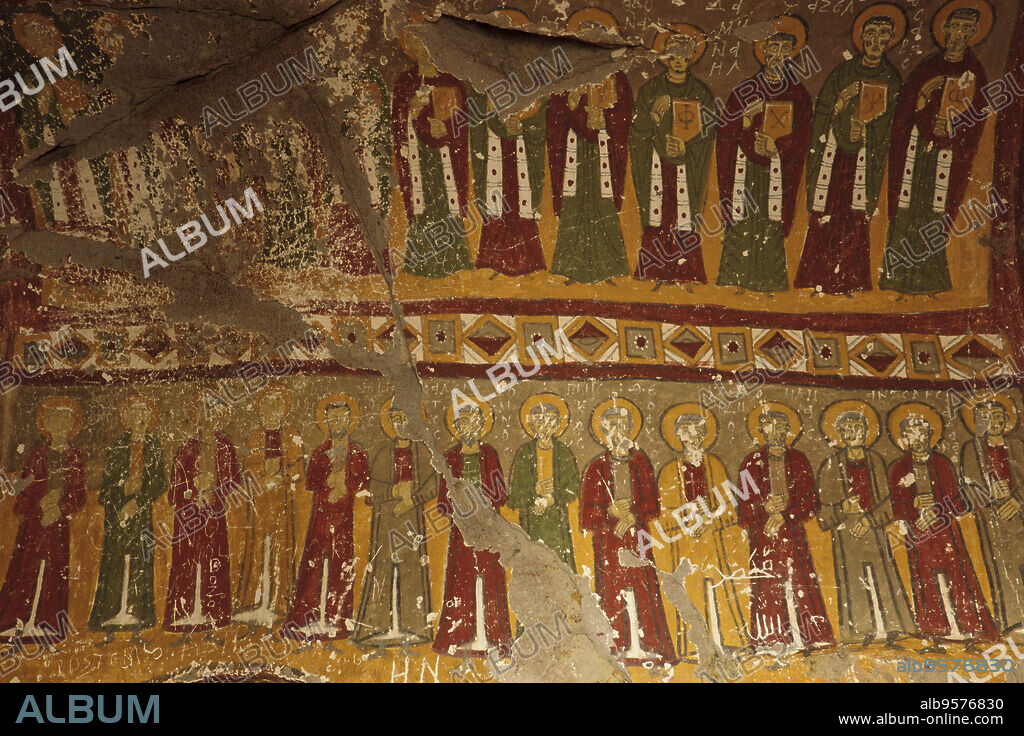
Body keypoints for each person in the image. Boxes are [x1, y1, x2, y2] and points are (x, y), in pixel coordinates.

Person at [879, 1, 991, 294]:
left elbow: (976, 117)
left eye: (967, 29)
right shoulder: (927, 67)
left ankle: (931, 280)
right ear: (944, 28)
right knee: (908, 211)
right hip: (916, 154)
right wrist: (921, 103)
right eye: (955, 26)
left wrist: (953, 129)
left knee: (934, 214)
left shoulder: (974, 71)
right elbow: (904, 111)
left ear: (974, 33)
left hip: (946, 156)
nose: (959, 33)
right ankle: (896, 279)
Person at [794, 4, 904, 294]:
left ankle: (851, 279)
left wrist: (867, 131)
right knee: (826, 213)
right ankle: (814, 275)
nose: (876, 42)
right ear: (861, 38)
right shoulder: (843, 72)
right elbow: (822, 113)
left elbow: (895, 123)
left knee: (855, 218)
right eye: (870, 35)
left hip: (865, 160)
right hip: (835, 157)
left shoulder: (892, 79)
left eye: (883, 36)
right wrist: (842, 105)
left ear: (890, 39)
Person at [887, 404, 997, 651]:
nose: (919, 439)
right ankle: (935, 637)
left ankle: (969, 634)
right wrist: (913, 507)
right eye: (912, 434)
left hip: (945, 531)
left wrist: (938, 510)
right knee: (926, 582)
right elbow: (896, 505)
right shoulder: (899, 468)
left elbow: (959, 502)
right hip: (919, 534)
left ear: (929, 436)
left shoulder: (943, 463)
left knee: (958, 579)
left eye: (923, 433)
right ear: (904, 439)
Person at [716, 15, 812, 293]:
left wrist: (779, 149)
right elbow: (724, 135)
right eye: (773, 47)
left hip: (776, 172)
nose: (778, 54)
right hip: (744, 171)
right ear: (763, 50)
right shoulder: (744, 91)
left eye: (785, 48)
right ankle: (737, 280)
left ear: (793, 53)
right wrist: (744, 122)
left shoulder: (798, 94)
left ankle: (770, 281)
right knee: (742, 220)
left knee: (770, 224)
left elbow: (803, 137)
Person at [581, 398, 676, 666]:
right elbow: (587, 515)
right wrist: (609, 513)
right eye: (612, 426)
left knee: (644, 586)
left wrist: (633, 515)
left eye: (623, 425)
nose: (618, 431)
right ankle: (617, 646)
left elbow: (653, 502)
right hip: (609, 539)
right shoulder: (596, 468)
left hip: (638, 536)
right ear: (603, 431)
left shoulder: (640, 463)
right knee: (611, 589)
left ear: (631, 429)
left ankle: (650, 645)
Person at [736, 404, 835, 653]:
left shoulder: (798, 460)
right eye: (770, 428)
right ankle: (770, 640)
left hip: (792, 533)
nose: (776, 432)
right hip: (763, 536)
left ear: (789, 430)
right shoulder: (750, 463)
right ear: (761, 431)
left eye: (781, 427)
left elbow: (812, 502)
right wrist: (765, 508)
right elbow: (744, 509)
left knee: (800, 581)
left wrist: (785, 516)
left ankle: (812, 637)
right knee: (767, 584)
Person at [815, 402, 914, 647]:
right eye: (846, 429)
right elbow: (821, 511)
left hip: (875, 529)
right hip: (845, 531)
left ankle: (894, 629)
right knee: (852, 580)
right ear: (838, 435)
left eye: (857, 427)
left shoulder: (877, 462)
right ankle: (860, 632)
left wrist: (870, 520)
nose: (852, 433)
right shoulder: (830, 466)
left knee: (884, 575)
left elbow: (890, 501)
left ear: (866, 431)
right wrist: (842, 510)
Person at [655, 404, 748, 657]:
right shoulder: (667, 472)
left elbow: (730, 507)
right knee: (690, 592)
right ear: (678, 436)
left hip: (714, 542)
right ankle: (694, 648)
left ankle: (727, 642)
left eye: (697, 432)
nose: (692, 438)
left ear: (704, 436)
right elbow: (662, 514)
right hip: (684, 545)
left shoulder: (715, 465)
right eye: (685, 432)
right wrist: (686, 521)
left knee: (719, 591)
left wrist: (710, 522)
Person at [547, 8, 632, 285]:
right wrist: (569, 106)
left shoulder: (615, 76)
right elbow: (554, 114)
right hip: (573, 151)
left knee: (602, 207)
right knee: (574, 206)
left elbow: (624, 114)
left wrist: (606, 120)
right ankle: (571, 267)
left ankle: (608, 269)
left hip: (602, 152)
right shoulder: (565, 78)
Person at [631, 24, 715, 288]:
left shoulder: (700, 93)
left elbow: (708, 135)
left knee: (684, 215)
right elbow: (636, 133)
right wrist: (653, 118)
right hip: (656, 164)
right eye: (673, 55)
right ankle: (655, 272)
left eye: (684, 56)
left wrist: (687, 150)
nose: (678, 61)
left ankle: (686, 273)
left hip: (686, 169)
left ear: (691, 58)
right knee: (658, 215)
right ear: (665, 57)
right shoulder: (650, 91)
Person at [283, 394, 368, 647]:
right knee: (315, 567)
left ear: (350, 421)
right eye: (333, 419)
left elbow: (363, 481)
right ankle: (307, 621)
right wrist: (328, 482)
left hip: (344, 520)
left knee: (340, 568)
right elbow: (311, 481)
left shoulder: (357, 452)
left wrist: (346, 484)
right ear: (327, 422)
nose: (338, 423)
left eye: (342, 418)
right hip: (320, 519)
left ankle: (336, 622)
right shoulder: (321, 451)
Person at [0, 397, 85, 648]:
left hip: (58, 526)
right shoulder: (37, 456)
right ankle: (16, 628)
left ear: (71, 426)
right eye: (55, 420)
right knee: (26, 573)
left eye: (65, 421)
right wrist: (39, 507)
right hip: (35, 528)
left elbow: (78, 495)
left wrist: (60, 508)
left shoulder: (75, 457)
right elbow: (23, 497)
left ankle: (45, 629)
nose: (60, 426)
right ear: (46, 424)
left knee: (52, 574)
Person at [353, 399, 437, 649]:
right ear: (390, 422)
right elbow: (371, 489)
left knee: (411, 570)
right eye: (397, 419)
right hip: (387, 519)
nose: (402, 424)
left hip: (411, 518)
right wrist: (393, 491)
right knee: (382, 568)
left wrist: (413, 498)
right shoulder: (382, 452)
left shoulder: (422, 452)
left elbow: (433, 485)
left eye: (406, 418)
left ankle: (413, 628)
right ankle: (379, 627)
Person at [392, 22, 473, 277]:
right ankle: (421, 264)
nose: (422, 48)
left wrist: (446, 131)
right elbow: (397, 125)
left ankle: (455, 261)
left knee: (446, 205)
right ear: (411, 47)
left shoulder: (451, 80)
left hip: (446, 158)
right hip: (419, 157)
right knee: (424, 206)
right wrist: (412, 114)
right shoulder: (405, 82)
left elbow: (463, 124)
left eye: (426, 41)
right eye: (416, 42)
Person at [433, 400, 512, 658]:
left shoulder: (489, 454)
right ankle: (458, 636)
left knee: (491, 578)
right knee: (462, 578)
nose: (469, 427)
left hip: (489, 526)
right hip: (463, 529)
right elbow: (443, 500)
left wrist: (482, 502)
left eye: (474, 422)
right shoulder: (450, 458)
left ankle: (495, 638)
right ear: (456, 428)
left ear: (481, 427)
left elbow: (500, 492)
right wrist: (461, 505)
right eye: (463, 423)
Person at [164, 392, 240, 646]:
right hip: (188, 517)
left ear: (219, 416)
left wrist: (213, 494)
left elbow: (233, 482)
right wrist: (192, 491)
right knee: (186, 564)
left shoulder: (225, 447)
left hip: (213, 516)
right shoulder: (187, 448)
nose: (208, 418)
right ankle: (184, 622)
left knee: (212, 563)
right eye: (203, 412)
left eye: (213, 412)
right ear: (197, 417)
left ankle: (212, 621)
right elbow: (174, 491)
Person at [89, 395, 167, 645]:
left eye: (144, 413)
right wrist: (123, 494)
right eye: (135, 413)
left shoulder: (153, 445)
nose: (140, 418)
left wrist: (137, 501)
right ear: (128, 418)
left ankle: (138, 627)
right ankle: (109, 627)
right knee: (113, 566)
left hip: (142, 515)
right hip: (117, 516)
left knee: (141, 564)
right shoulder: (117, 447)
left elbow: (159, 482)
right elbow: (105, 490)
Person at [234, 386, 304, 634]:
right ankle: (255, 604)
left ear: (283, 409)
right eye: (267, 406)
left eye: (276, 406)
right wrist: (264, 473)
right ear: (260, 411)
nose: (272, 411)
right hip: (260, 503)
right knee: (258, 551)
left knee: (279, 550)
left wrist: (281, 476)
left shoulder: (291, 435)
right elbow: (246, 470)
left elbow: (298, 469)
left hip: (282, 501)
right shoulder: (254, 438)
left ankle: (278, 605)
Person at [958, 397, 1024, 635]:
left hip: (1020, 513)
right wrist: (988, 493)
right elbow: (967, 489)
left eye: (998, 417)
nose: (993, 422)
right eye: (987, 418)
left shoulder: (1017, 445)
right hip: (993, 519)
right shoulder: (971, 449)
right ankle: (1013, 620)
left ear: (1006, 420)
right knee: (1002, 569)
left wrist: (1017, 499)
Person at [508, 394, 579, 571]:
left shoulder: (563, 453)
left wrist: (552, 498)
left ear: (557, 425)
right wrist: (534, 491)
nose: (544, 426)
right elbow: (514, 496)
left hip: (557, 521)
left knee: (559, 567)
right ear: (531, 425)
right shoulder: (525, 454)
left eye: (550, 421)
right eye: (539, 421)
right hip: (532, 520)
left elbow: (573, 487)